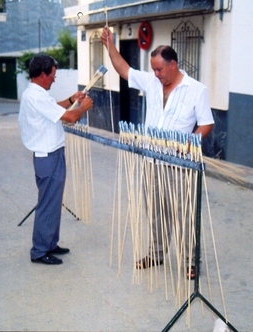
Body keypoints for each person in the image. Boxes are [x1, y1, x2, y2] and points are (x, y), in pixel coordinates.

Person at [101, 26, 214, 279]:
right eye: (153, 69)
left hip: (180, 163)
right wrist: (110, 45)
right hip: (152, 159)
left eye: (160, 69)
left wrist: (188, 143)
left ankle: (190, 261)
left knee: (184, 213)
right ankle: (156, 253)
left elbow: (206, 124)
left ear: (173, 64)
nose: (156, 74)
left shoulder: (197, 90)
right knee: (155, 209)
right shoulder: (152, 82)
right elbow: (124, 69)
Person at [18, 54, 94, 265]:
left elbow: (57, 108)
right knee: (48, 203)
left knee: (53, 202)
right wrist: (83, 107)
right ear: (43, 75)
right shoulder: (35, 96)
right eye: (52, 75)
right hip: (47, 156)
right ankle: (40, 250)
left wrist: (72, 100)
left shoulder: (38, 95)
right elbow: (69, 117)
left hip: (53, 154)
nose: (54, 79)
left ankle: (50, 243)